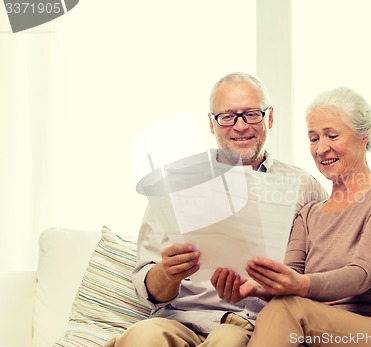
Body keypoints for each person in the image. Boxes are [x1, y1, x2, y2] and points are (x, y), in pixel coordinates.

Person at [104, 72, 328, 347]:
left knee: (228, 340)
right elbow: (147, 286)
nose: (240, 126)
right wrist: (167, 273)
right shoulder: (175, 183)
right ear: (212, 124)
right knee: (143, 336)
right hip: (180, 319)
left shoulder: (304, 187)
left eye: (251, 114)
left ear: (269, 118)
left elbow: (318, 276)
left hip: (249, 324)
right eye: (227, 116)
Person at [211, 87, 371, 346]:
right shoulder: (308, 215)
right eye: (313, 139)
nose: (321, 148)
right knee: (281, 306)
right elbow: (289, 277)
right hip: (321, 333)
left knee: (288, 308)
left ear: (364, 137)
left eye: (332, 136)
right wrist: (254, 288)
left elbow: (362, 274)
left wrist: (300, 284)